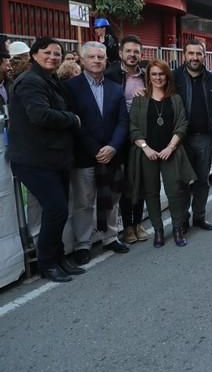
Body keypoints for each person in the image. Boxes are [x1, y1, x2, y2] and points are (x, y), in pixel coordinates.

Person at [8, 37, 83, 282]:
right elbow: (40, 115)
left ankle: (59, 258)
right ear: (34, 55)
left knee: (59, 211)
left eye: (57, 53)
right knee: (56, 209)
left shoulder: (49, 80)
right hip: (34, 159)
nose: (53, 57)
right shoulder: (30, 81)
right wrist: (72, 119)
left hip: (55, 158)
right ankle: (47, 263)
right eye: (47, 52)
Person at [64, 42, 130, 265]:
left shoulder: (115, 88)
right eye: (91, 57)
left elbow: (123, 121)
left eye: (100, 57)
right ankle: (82, 243)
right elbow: (74, 123)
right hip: (84, 155)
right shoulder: (70, 88)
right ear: (82, 60)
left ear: (106, 60)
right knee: (84, 201)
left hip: (112, 154)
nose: (96, 60)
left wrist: (112, 147)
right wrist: (95, 149)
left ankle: (110, 237)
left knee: (111, 198)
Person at [128, 60, 196, 247]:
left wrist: (171, 147)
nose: (158, 78)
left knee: (175, 191)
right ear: (148, 77)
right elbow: (133, 127)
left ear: (167, 76)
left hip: (171, 151)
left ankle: (176, 228)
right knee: (151, 193)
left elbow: (182, 124)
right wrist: (145, 148)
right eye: (154, 74)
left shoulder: (175, 99)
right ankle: (158, 230)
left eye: (162, 74)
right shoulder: (140, 99)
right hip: (147, 153)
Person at [105, 35, 149, 244]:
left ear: (141, 54)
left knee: (139, 182)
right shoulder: (110, 75)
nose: (132, 55)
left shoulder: (147, 75)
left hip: (142, 136)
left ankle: (139, 222)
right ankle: (127, 227)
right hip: (119, 136)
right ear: (120, 53)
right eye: (128, 51)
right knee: (123, 185)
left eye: (136, 52)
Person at [174, 39, 212, 232]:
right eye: (191, 53)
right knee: (183, 181)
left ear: (204, 56)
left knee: (202, 180)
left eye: (198, 53)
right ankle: (183, 218)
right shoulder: (173, 77)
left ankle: (199, 216)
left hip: (205, 137)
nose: (195, 57)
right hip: (180, 139)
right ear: (184, 55)